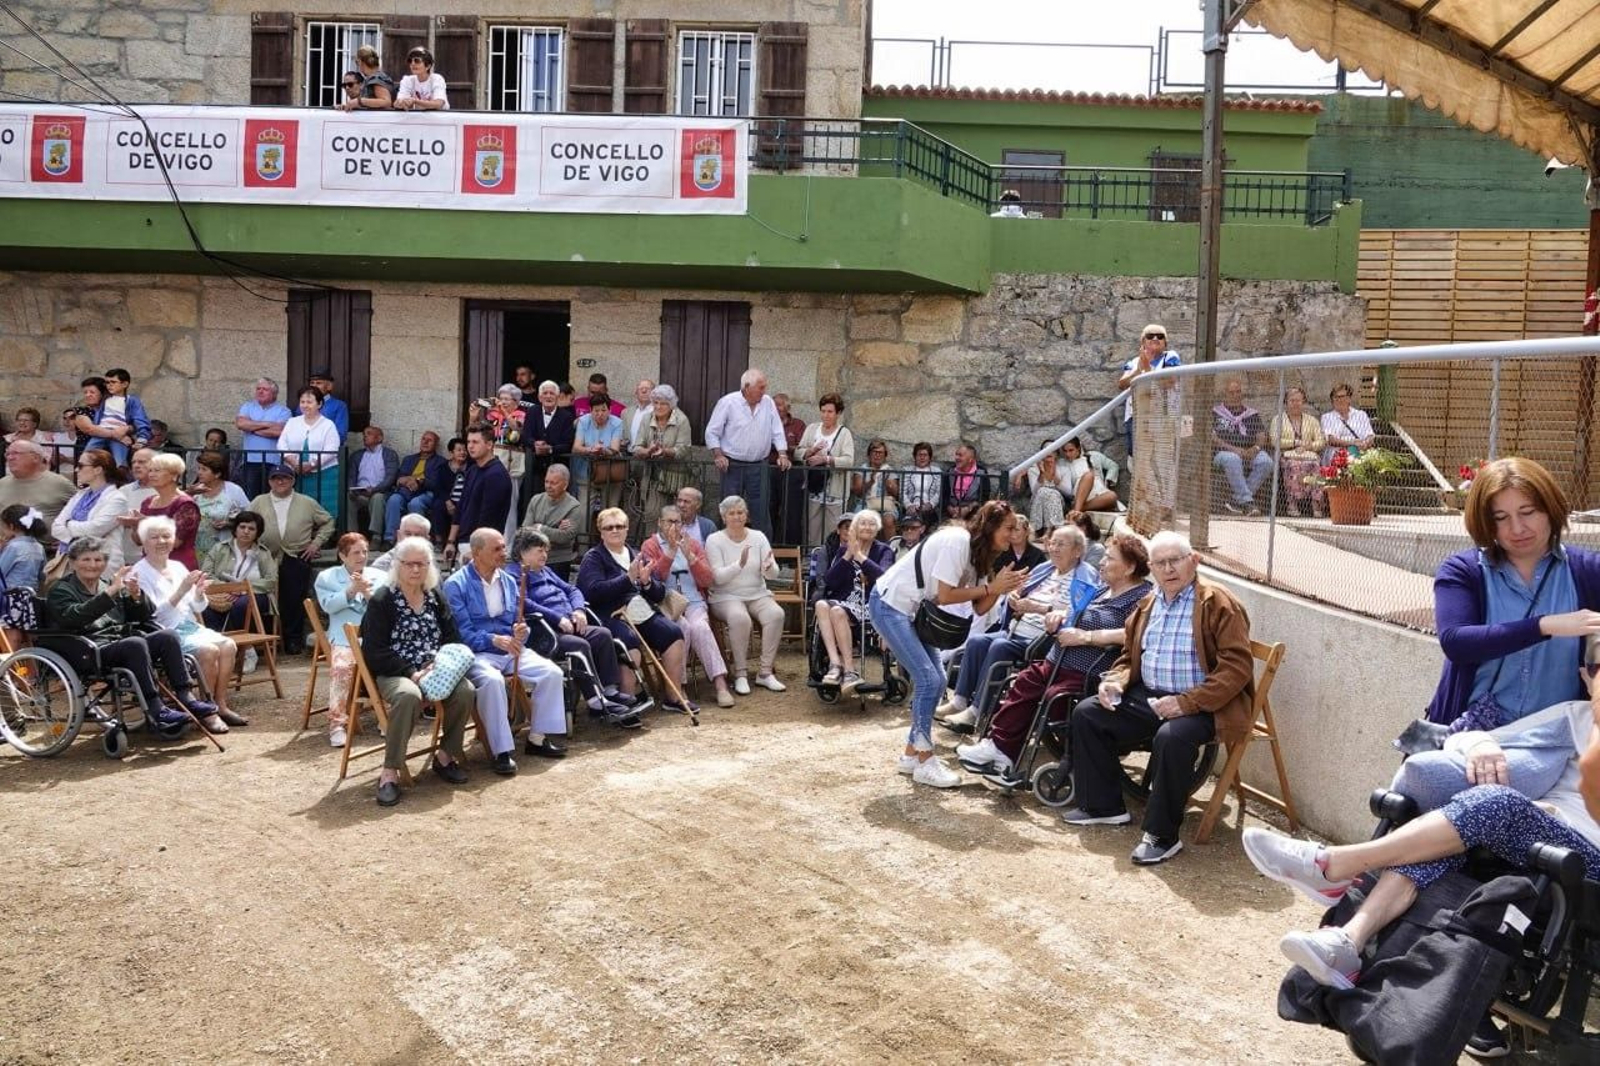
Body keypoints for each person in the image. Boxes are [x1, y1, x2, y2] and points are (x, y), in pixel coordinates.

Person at [1243, 689, 1600, 998]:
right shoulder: (1577, 716)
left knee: (1495, 805)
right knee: (1448, 826)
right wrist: (1481, 745)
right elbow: (1462, 736)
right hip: (1529, 838)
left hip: (1588, 859)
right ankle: (1349, 941)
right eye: (1593, 666)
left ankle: (1335, 865)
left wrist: (1539, 811)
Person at [1400, 457, 1600, 812]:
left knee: (1440, 797)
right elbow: (1457, 642)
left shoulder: (1587, 571)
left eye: (1529, 512)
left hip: (1544, 742)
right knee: (1424, 786)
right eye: (1500, 518)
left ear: (1551, 510)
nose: (1517, 528)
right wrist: (1546, 625)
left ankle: (1343, 865)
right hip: (1469, 732)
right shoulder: (1464, 571)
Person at [1063, 530, 1255, 865]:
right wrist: (1115, 682)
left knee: (1172, 737)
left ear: (1192, 560)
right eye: (1160, 563)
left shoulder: (1218, 601)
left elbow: (1236, 669)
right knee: (1088, 713)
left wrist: (1187, 702)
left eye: (1175, 561)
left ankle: (1161, 836)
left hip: (1205, 703)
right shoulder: (1149, 602)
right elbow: (1128, 655)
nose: (1168, 569)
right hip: (1149, 696)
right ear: (1150, 567)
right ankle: (1104, 806)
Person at [958, 532, 1153, 781]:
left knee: (1052, 696)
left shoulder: (1142, 597)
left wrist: (1086, 637)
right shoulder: (1102, 589)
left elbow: (1134, 634)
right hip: (1059, 659)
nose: (1101, 562)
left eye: (1109, 558)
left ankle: (1015, 757)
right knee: (1024, 682)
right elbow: (1074, 609)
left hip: (1090, 669)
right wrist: (1059, 614)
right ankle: (1000, 751)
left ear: (1130, 567)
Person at [869, 499, 1029, 787]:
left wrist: (1003, 586)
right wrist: (992, 587)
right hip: (890, 604)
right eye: (1009, 528)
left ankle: (910, 755)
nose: (1013, 534)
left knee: (939, 680)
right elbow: (944, 595)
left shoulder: (979, 553)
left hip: (911, 611)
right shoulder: (958, 542)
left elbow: (980, 607)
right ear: (991, 527)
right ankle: (925, 760)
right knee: (929, 681)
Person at [42, 535, 219, 734]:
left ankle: (187, 697)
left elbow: (142, 616)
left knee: (167, 636)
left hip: (120, 642)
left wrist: (136, 596)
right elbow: (73, 618)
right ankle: (156, 708)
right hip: (89, 648)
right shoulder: (61, 589)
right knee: (135, 643)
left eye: (98, 559)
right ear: (73, 562)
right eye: (86, 559)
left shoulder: (106, 583)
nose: (93, 564)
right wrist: (110, 593)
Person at [940, 523, 1101, 732]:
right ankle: (960, 701)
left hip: (1045, 640)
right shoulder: (1046, 569)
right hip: (1017, 629)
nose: (1054, 548)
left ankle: (977, 712)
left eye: (1061, 544)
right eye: (1052, 543)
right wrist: (1014, 596)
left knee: (999, 646)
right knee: (977, 641)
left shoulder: (1085, 577)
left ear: (1078, 551)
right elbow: (1022, 590)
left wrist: (1040, 608)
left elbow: (1080, 611)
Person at [360, 536, 476, 807]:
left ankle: (446, 756)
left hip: (435, 668)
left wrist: (440, 663)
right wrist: (411, 672)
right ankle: (389, 773)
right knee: (409, 696)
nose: (415, 570)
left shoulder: (435, 595)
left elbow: (452, 637)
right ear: (397, 565)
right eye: (409, 564)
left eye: (421, 564)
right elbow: (375, 651)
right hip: (395, 672)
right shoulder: (383, 599)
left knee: (465, 690)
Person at [444, 528, 568, 767]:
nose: (504, 553)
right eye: (497, 548)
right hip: (477, 653)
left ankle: (537, 738)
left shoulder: (510, 581)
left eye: (503, 547)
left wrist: (521, 631)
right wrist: (491, 639)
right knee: (492, 681)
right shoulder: (455, 585)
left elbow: (515, 621)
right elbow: (461, 633)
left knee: (552, 673)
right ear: (477, 552)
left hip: (510, 648)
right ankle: (500, 750)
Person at [507, 527, 643, 720]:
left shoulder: (546, 571)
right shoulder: (515, 574)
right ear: (523, 552)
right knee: (579, 646)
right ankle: (595, 702)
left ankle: (610, 690)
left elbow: (572, 590)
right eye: (540, 550)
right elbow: (524, 603)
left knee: (603, 634)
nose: (545, 554)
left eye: (546, 550)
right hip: (544, 632)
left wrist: (578, 610)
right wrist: (558, 618)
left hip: (569, 624)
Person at [129, 515, 244, 729]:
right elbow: (154, 615)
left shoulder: (178, 566)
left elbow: (198, 607)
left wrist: (199, 593)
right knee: (208, 650)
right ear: (144, 541)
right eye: (154, 537)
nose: (162, 541)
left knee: (229, 646)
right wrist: (182, 589)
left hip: (189, 626)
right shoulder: (139, 572)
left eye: (166, 536)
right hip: (164, 632)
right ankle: (207, 710)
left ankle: (220, 704)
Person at [576, 507, 691, 713]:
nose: (614, 531)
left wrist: (647, 583)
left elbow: (658, 593)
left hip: (639, 611)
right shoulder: (594, 558)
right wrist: (627, 579)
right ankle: (626, 703)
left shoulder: (635, 554)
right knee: (628, 642)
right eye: (608, 527)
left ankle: (673, 696)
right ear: (600, 532)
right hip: (609, 614)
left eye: (619, 526)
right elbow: (592, 592)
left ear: (627, 529)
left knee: (673, 633)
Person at [638, 505, 735, 707]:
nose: (675, 526)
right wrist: (671, 552)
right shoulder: (650, 545)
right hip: (666, 603)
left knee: (700, 627)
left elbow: (707, 579)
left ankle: (720, 684)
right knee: (681, 629)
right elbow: (654, 578)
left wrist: (690, 556)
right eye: (670, 521)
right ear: (660, 523)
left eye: (678, 522)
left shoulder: (693, 544)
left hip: (694, 600)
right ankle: (678, 686)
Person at [249, 463, 334, 655]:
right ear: (270, 481)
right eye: (276, 478)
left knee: (294, 599)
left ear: (293, 480)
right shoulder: (259, 501)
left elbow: (328, 521)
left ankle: (292, 641)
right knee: (265, 597)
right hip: (266, 555)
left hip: (296, 555)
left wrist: (315, 544)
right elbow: (246, 522)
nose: (280, 481)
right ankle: (266, 640)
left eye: (285, 478)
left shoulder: (306, 502)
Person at [309, 533, 385, 748]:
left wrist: (369, 593)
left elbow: (388, 609)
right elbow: (328, 606)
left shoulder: (380, 576)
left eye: (365, 552)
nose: (362, 557)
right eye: (356, 552)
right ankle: (337, 725)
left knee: (390, 662)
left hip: (374, 636)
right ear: (342, 555)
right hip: (343, 637)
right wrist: (351, 590)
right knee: (342, 667)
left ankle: (386, 716)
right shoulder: (327, 577)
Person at [705, 495, 787, 695]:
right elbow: (717, 578)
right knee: (739, 618)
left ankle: (765, 673)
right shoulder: (714, 540)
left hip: (757, 593)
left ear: (746, 515)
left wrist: (769, 568)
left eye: (740, 512)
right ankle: (740, 674)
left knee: (776, 614)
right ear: (723, 517)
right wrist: (739, 565)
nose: (736, 517)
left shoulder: (758, 536)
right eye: (731, 513)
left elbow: (772, 572)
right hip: (725, 596)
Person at [815, 510, 896, 695]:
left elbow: (883, 577)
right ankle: (836, 664)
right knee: (821, 605)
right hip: (844, 601)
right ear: (855, 528)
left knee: (836, 611)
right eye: (863, 523)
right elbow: (830, 581)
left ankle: (850, 670)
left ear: (877, 529)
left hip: (870, 604)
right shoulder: (844, 550)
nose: (867, 527)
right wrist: (847, 556)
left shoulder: (884, 551)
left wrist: (860, 557)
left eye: (871, 524)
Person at [705, 369, 791, 539]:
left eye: (764, 387)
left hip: (759, 465)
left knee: (761, 512)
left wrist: (782, 453)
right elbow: (712, 432)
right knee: (729, 509)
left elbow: (777, 430)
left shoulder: (767, 402)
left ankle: (764, 554)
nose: (764, 391)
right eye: (760, 387)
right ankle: (727, 548)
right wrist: (718, 455)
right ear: (746, 387)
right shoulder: (728, 402)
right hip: (732, 465)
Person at [199, 510, 277, 642]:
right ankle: (217, 644)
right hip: (222, 593)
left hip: (255, 594)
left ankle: (245, 649)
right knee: (204, 605)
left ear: (258, 533)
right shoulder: (219, 548)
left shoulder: (263, 553)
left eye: (251, 528)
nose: (246, 531)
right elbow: (206, 574)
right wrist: (227, 588)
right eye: (242, 527)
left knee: (241, 605)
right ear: (235, 529)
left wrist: (244, 589)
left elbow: (271, 580)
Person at [445, 423, 512, 564]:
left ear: (489, 445)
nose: (470, 446)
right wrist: (451, 541)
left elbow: (489, 518)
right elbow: (461, 507)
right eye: (469, 442)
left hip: (484, 547)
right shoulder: (472, 470)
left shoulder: (497, 475)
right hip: (465, 542)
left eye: (475, 442)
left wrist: (476, 550)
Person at [52, 450, 128, 569]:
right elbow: (55, 527)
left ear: (98, 470)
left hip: (100, 567)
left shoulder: (117, 499)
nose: (77, 470)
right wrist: (75, 534)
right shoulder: (79, 495)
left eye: (81, 466)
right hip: (68, 562)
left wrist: (68, 524)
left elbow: (95, 530)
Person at [796, 393, 855, 546]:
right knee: (812, 529)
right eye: (823, 411)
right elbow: (798, 452)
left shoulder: (844, 433)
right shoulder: (812, 429)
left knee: (833, 530)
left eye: (830, 412)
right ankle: (810, 562)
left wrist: (826, 459)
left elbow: (849, 460)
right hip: (814, 487)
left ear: (838, 413)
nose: (826, 415)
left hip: (835, 490)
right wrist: (811, 451)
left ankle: (831, 562)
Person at [1209, 377, 1274, 516]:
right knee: (1233, 459)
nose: (1235, 395)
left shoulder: (1251, 414)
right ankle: (1247, 502)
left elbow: (1262, 435)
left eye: (1238, 392)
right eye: (1231, 392)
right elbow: (1212, 438)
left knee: (1266, 461)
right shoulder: (1215, 413)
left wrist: (1255, 448)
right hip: (1223, 453)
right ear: (1225, 394)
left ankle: (1236, 501)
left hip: (1249, 451)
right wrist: (1235, 450)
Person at [1117, 323, 1182, 457]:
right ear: (1143, 341)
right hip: (1136, 415)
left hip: (1162, 417)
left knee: (1160, 457)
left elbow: (1169, 381)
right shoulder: (1134, 362)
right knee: (1136, 456)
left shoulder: (1170, 357)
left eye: (1160, 336)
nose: (1155, 339)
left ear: (1165, 342)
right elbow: (1123, 384)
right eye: (1150, 336)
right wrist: (1139, 370)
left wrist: (1147, 370)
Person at [631, 384, 693, 523]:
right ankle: (652, 544)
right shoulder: (647, 418)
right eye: (655, 403)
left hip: (676, 478)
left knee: (676, 518)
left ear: (671, 405)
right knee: (652, 516)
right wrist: (648, 451)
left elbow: (683, 450)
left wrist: (664, 451)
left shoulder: (681, 420)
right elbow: (637, 447)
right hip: (652, 477)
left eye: (663, 404)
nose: (658, 407)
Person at [278, 385, 342, 517]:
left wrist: (312, 464)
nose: (305, 405)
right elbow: (281, 444)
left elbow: (332, 449)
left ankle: (325, 535)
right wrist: (292, 460)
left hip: (324, 473)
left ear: (319, 404)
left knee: (324, 509)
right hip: (296, 472)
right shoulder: (292, 422)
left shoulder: (328, 424)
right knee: (298, 509)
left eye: (309, 402)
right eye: (302, 402)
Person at [0, 439, 75, 547]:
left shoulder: (59, 483)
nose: (10, 458)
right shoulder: (2, 483)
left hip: (45, 553)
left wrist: (70, 538)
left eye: (16, 453)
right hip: (5, 553)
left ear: (35, 457)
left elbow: (85, 510)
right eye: (8, 454)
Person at [383, 430, 449, 548]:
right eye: (424, 439)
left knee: (415, 503)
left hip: (427, 492)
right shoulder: (409, 459)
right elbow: (399, 478)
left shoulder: (441, 462)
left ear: (436, 445)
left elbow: (436, 483)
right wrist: (407, 480)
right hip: (406, 490)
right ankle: (389, 539)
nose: (425, 442)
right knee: (394, 500)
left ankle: (417, 541)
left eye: (430, 440)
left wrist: (419, 481)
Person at [1269, 385, 1327, 518]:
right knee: (1293, 466)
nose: (1296, 403)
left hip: (1309, 455)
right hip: (1287, 455)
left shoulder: (1311, 420)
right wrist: (1294, 443)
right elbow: (1274, 440)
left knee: (1315, 466)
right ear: (1286, 402)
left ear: (1303, 402)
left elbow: (1321, 441)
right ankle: (1292, 503)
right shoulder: (1278, 420)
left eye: (1299, 400)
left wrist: (1309, 446)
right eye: (1292, 400)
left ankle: (1316, 503)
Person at [138, 453, 202, 569]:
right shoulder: (147, 502)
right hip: (149, 566)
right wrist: (135, 525)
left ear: (174, 475)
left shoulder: (185, 504)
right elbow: (138, 540)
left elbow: (175, 541)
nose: (152, 474)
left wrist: (145, 523)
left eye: (157, 470)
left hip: (177, 567)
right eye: (150, 470)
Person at [520, 463, 582, 580]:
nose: (548, 486)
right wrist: (553, 530)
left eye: (554, 483)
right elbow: (525, 529)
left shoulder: (574, 507)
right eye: (546, 482)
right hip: (534, 556)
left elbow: (564, 537)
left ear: (565, 484)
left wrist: (540, 528)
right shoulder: (536, 500)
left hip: (559, 558)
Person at [235, 378, 292, 500]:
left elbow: (279, 431)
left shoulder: (284, 411)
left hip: (273, 462)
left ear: (274, 393)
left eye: (265, 389)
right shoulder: (247, 406)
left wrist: (252, 428)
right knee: (251, 497)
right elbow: (241, 424)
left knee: (272, 497)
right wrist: (268, 424)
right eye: (258, 389)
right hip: (250, 461)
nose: (260, 392)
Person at [0, 504, 49, 645]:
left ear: (11, 526)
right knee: (27, 640)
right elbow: (42, 575)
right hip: (29, 598)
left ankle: (8, 666)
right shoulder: (39, 547)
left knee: (11, 639)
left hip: (10, 598)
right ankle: (31, 666)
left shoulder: (14, 547)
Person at [571, 393, 626, 516]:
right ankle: (583, 536)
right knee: (583, 514)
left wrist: (603, 450)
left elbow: (615, 448)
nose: (600, 414)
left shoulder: (617, 422)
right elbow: (576, 447)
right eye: (596, 410)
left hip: (609, 473)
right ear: (590, 410)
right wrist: (591, 449)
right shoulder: (584, 421)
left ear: (609, 410)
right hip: (586, 472)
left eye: (603, 410)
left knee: (610, 514)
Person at [88, 368, 153, 468]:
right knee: (87, 457)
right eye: (107, 382)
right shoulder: (104, 399)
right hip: (101, 432)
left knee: (120, 463)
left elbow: (140, 419)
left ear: (125, 384)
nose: (109, 385)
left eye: (113, 382)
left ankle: (122, 482)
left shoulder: (132, 401)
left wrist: (142, 438)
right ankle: (82, 480)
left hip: (120, 435)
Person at [190, 451, 249, 560]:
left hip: (225, 551)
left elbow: (249, 517)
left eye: (204, 469)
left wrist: (230, 524)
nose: (199, 473)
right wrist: (189, 493)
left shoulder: (233, 490)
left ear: (217, 474)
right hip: (198, 550)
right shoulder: (195, 491)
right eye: (199, 468)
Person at [346, 425, 399, 544]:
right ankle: (353, 537)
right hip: (360, 493)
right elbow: (351, 476)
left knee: (378, 498)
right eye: (364, 434)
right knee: (347, 497)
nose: (365, 436)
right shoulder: (357, 455)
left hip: (380, 492)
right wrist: (352, 489)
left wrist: (375, 489)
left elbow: (390, 478)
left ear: (379, 438)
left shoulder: (389, 454)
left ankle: (376, 536)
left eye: (369, 433)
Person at [771, 391, 809, 543]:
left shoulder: (798, 424)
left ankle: (792, 551)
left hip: (792, 472)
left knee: (792, 512)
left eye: (779, 405)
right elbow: (764, 445)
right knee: (769, 509)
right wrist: (787, 447)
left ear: (788, 408)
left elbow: (801, 447)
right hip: (771, 469)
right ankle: (770, 546)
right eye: (774, 405)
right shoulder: (767, 423)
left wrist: (780, 447)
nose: (776, 408)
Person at [525, 380, 576, 488]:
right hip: (534, 468)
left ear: (557, 397)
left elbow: (568, 443)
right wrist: (535, 444)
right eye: (545, 393)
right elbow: (526, 436)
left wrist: (550, 449)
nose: (548, 396)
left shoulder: (566, 416)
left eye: (552, 393)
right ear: (539, 398)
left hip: (557, 469)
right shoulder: (532, 412)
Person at [1013, 440, 1072, 532]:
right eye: (1046, 450)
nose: (1048, 452)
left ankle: (1039, 531)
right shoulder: (1034, 469)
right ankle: (1051, 530)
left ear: (1056, 454)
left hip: (1059, 503)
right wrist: (1042, 474)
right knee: (1042, 491)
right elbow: (1034, 491)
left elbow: (1068, 492)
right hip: (1037, 501)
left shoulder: (1064, 469)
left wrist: (1054, 476)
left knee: (1049, 492)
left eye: (1052, 449)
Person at [113, 449, 156, 567]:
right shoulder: (123, 491)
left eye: (142, 462)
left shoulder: (163, 492)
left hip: (151, 559)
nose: (136, 466)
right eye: (134, 462)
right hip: (123, 557)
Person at [1060, 437, 1119, 517]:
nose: (1068, 454)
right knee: (1089, 476)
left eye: (1071, 450)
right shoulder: (1063, 464)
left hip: (1099, 495)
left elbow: (1113, 466)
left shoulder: (1094, 456)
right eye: (1065, 451)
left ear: (1078, 448)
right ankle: (1077, 511)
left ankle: (1076, 510)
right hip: (1080, 496)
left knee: (1113, 496)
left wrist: (1108, 481)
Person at [6, 406, 74, 475]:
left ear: (35, 424)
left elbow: (46, 460)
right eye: (19, 420)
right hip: (10, 475)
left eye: (26, 420)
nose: (22, 423)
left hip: (36, 477)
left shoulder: (45, 438)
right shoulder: (7, 439)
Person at [1321, 381, 1376, 462]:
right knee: (1351, 453)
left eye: (1342, 396)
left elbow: (1370, 435)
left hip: (1361, 450)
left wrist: (1365, 443)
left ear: (1349, 398)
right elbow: (1331, 440)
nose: (1338, 400)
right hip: (1337, 452)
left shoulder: (1361, 415)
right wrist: (1352, 443)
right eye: (1335, 397)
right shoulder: (1327, 417)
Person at [941, 442, 990, 521]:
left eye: (960, 455)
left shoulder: (981, 473)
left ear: (970, 459)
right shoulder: (950, 471)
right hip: (951, 513)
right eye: (956, 454)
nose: (956, 458)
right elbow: (944, 494)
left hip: (973, 514)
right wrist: (949, 508)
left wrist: (968, 509)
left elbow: (984, 497)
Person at [898, 441, 942, 528]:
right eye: (919, 455)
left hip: (929, 509)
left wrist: (930, 504)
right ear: (915, 456)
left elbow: (938, 492)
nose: (922, 457)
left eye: (925, 455)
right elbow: (902, 492)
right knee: (912, 520)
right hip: (911, 507)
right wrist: (909, 505)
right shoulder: (906, 471)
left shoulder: (936, 472)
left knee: (924, 519)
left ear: (930, 457)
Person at [340, 45, 394, 111]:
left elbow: (386, 102)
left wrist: (359, 101)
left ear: (360, 62)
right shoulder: (375, 77)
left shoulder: (376, 78)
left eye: (357, 63)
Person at [394, 45, 448, 110]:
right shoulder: (407, 80)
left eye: (417, 61)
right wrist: (401, 103)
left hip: (438, 117)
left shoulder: (437, 79)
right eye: (410, 61)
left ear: (428, 66)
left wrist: (415, 101)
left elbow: (439, 104)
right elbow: (397, 103)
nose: (412, 64)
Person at [624, 378, 656, 450]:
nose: (644, 391)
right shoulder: (626, 413)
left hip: (650, 455)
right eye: (640, 389)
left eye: (647, 388)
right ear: (636, 392)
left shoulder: (659, 412)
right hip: (629, 456)